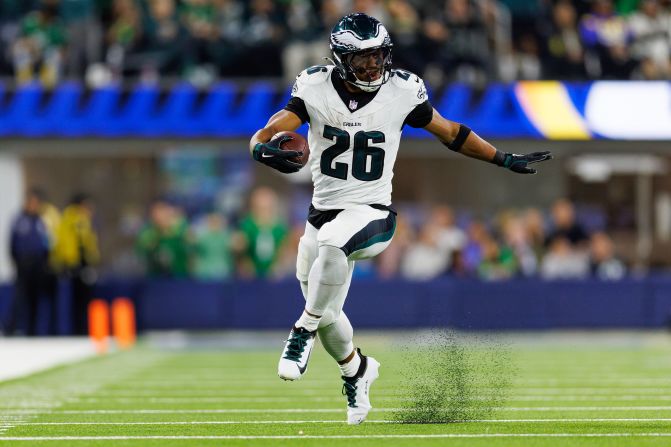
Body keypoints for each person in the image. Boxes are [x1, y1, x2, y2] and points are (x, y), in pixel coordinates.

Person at [248, 13, 552, 425]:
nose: (373, 66)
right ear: (340, 59)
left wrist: (502, 157)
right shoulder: (314, 85)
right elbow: (272, 127)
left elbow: (451, 133)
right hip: (322, 213)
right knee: (328, 311)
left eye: (378, 57)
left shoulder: (403, 90)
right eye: (363, 59)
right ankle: (356, 369)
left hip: (372, 213)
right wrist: (258, 147)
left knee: (330, 259)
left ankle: (300, 332)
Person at [5, 188, 51, 336]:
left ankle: (33, 329)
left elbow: (46, 242)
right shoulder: (19, 220)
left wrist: (45, 261)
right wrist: (16, 260)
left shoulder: (41, 221)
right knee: (19, 297)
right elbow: (12, 243)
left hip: (38, 264)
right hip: (23, 263)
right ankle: (12, 328)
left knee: (35, 298)